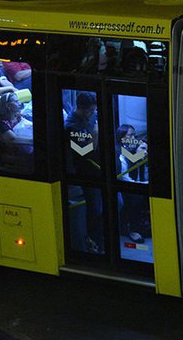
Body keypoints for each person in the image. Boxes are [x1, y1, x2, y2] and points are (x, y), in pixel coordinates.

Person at [65, 91, 103, 254]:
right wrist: (95, 134)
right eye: (92, 110)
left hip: (98, 169)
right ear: (82, 108)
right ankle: (93, 241)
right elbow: (84, 152)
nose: (94, 113)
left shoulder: (91, 116)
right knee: (95, 209)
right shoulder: (71, 127)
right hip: (85, 173)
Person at [0, 91, 33, 172]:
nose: (19, 103)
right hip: (11, 153)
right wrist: (33, 141)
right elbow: (12, 139)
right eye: (16, 101)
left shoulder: (17, 115)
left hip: (23, 146)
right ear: (8, 105)